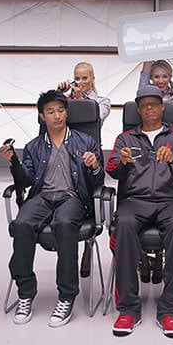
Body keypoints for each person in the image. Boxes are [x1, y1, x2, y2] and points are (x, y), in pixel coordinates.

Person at [0, 89, 105, 328]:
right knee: (22, 224)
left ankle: (66, 296)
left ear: (66, 112)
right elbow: (25, 180)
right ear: (41, 116)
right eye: (50, 111)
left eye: (60, 110)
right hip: (42, 197)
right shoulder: (33, 146)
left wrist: (94, 166)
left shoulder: (85, 141)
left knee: (65, 224)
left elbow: (98, 180)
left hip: (72, 197)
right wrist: (14, 161)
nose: (57, 115)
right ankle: (25, 293)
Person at [106, 85, 173, 338]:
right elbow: (111, 169)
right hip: (134, 201)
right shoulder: (126, 138)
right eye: (144, 105)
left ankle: (169, 310)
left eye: (154, 104)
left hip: (169, 201)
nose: (149, 109)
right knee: (123, 225)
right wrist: (122, 162)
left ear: (162, 107)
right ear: (138, 110)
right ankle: (128, 309)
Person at [135, 57, 173, 284]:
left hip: (171, 151)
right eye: (156, 76)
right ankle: (143, 260)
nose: (160, 80)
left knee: (167, 206)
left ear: (170, 77)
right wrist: (151, 49)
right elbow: (145, 67)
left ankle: (161, 258)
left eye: (164, 76)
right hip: (147, 153)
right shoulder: (145, 92)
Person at [58, 61, 112, 279]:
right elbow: (52, 116)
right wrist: (59, 94)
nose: (80, 82)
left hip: (90, 154)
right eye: (77, 78)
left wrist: (81, 99)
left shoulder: (102, 101)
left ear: (92, 79)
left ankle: (88, 248)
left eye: (85, 78)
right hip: (66, 153)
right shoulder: (65, 100)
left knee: (91, 200)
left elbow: (97, 116)